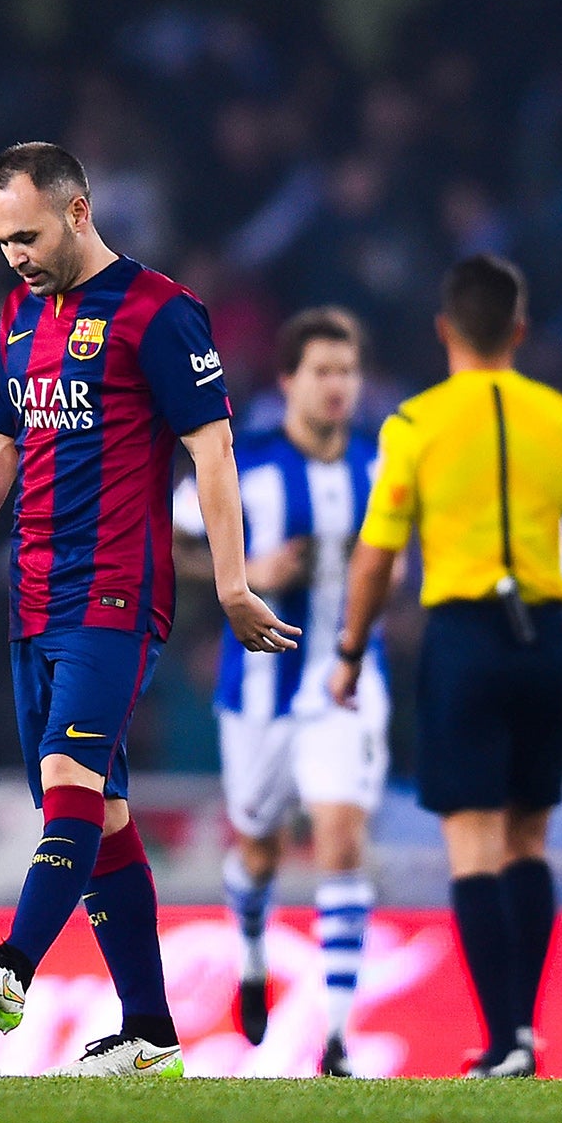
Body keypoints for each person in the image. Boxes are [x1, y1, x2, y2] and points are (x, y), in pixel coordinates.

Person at [0, 143, 297, 1077]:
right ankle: (151, 1034)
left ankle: (9, 972)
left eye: (26, 234)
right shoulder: (19, 314)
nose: (12, 255)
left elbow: (211, 453)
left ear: (80, 211)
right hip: (34, 598)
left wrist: (230, 582)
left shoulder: (161, 314)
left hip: (114, 593)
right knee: (105, 816)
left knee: (69, 784)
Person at [331, 254, 562, 1077]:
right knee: (530, 837)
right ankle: (522, 1033)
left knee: (473, 842)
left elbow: (376, 557)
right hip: (547, 641)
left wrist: (350, 653)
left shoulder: (415, 426)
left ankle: (503, 1041)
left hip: (463, 639)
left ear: (445, 331)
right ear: (521, 332)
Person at [174, 306, 386, 1077]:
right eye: (322, 371)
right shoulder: (246, 464)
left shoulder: (378, 470)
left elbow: (401, 563)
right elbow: (173, 546)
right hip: (258, 690)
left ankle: (335, 1035)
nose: (337, 386)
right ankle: (254, 955)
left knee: (341, 838)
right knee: (258, 848)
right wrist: (246, 574)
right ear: (290, 381)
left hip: (348, 685)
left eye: (348, 371)